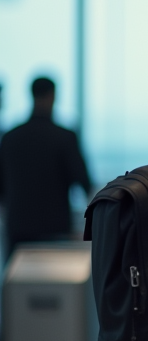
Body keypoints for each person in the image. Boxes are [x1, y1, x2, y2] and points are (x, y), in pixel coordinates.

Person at [0, 76, 91, 260]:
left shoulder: (10, 138)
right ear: (52, 96)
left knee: (18, 284)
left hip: (18, 228)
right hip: (54, 229)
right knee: (54, 285)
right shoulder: (65, 137)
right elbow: (83, 182)